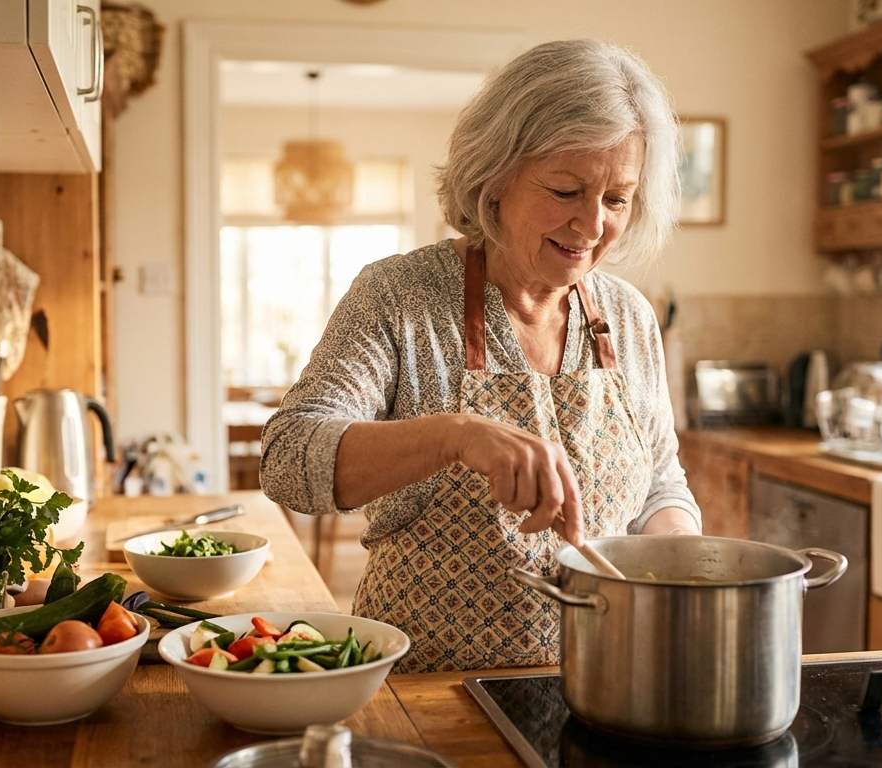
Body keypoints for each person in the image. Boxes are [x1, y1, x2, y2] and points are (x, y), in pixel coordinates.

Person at [259, 38, 701, 673]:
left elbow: (661, 483)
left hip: (602, 684)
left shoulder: (629, 317)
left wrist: (678, 558)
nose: (592, 225)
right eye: (567, 190)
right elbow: (288, 459)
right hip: (424, 694)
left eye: (616, 199)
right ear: (496, 178)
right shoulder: (399, 296)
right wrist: (454, 436)